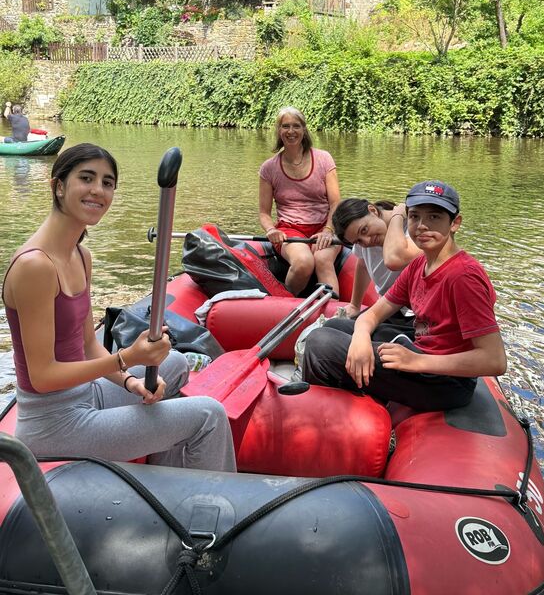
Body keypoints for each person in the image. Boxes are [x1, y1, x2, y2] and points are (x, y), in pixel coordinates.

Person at [2, 143, 236, 471]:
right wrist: (128, 357)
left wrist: (130, 381)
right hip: (53, 425)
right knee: (208, 415)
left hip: (85, 396)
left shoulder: (81, 256)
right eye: (87, 178)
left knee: (174, 361)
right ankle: (216, 515)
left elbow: (87, 345)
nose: (98, 190)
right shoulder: (35, 266)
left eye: (107, 182)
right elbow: (42, 377)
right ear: (58, 186)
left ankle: (167, 482)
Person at [303, 180, 507, 412]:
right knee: (340, 325)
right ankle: (357, 398)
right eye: (415, 217)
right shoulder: (419, 264)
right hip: (422, 348)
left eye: (434, 217)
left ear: (455, 223)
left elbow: (495, 360)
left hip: (444, 381)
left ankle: (325, 416)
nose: (421, 226)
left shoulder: (464, 277)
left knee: (320, 343)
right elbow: (375, 313)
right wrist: (360, 337)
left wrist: (416, 361)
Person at [259, 106, 342, 297]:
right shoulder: (269, 168)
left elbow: (336, 204)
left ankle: (336, 316)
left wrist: (328, 230)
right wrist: (271, 230)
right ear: (279, 131)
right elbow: (264, 213)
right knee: (304, 262)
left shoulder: (324, 159)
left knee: (322, 259)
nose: (291, 131)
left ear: (304, 130)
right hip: (290, 230)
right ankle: (286, 302)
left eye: (296, 126)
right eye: (285, 126)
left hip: (324, 226)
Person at [331, 197, 421, 318]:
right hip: (389, 307)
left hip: (415, 312)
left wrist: (397, 216)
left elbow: (396, 258)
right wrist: (354, 305)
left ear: (373, 210)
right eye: (358, 241)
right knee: (333, 325)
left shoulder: (413, 225)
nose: (367, 241)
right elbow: (362, 265)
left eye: (364, 230)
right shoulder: (362, 238)